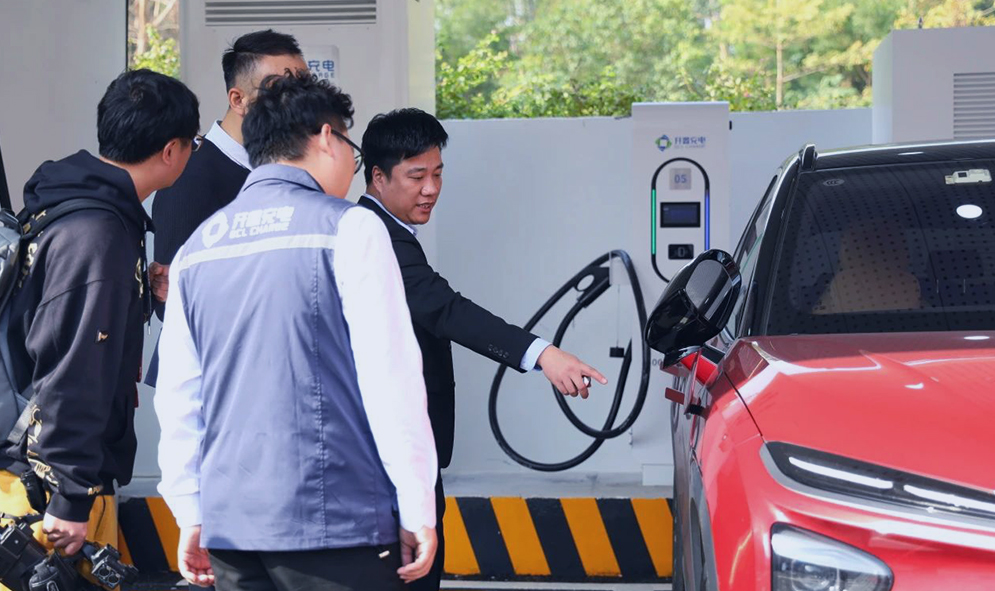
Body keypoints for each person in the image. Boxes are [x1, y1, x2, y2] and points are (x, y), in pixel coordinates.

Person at [155, 72, 437, 591]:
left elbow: (179, 398)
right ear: (328, 138)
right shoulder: (350, 228)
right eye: (350, 149)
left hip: (231, 526)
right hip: (335, 519)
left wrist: (190, 510)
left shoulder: (197, 248)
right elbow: (390, 379)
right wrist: (418, 503)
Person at [358, 108, 608, 591]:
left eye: (437, 174)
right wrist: (543, 354)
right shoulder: (374, 235)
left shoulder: (387, 231)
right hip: (389, 455)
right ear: (378, 176)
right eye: (416, 176)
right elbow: (444, 309)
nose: (431, 188)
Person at [0, 69, 199, 560]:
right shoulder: (98, 233)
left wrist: (135, 286)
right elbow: (76, 368)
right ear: (170, 150)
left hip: (34, 470)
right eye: (191, 143)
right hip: (45, 492)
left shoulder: (73, 204)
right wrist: (71, 494)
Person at [146, 29, 307, 384]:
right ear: (238, 99)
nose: (298, 102)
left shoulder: (278, 169)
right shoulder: (191, 174)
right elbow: (171, 300)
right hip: (209, 380)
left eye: (303, 87)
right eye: (280, 89)